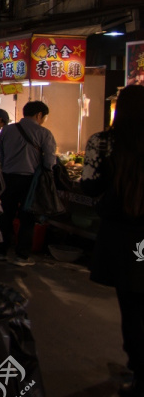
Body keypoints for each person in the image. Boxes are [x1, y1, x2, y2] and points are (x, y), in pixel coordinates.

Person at [81, 85, 144, 397]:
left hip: (123, 235)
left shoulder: (103, 142)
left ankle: (137, 368)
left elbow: (90, 187)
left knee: (132, 304)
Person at [0, 101, 56, 266]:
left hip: (8, 178)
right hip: (31, 181)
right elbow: (49, 162)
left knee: (5, 215)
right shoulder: (44, 133)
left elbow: (0, 154)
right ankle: (22, 256)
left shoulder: (7, 130)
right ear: (39, 115)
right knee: (27, 217)